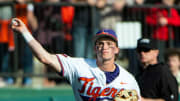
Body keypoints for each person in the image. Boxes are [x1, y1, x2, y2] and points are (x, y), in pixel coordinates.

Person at [11, 18, 141, 101]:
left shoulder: (128, 80)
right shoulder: (79, 66)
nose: (104, 47)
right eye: (100, 44)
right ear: (95, 49)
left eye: (109, 44)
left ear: (117, 49)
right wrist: (25, 32)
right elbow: (45, 58)